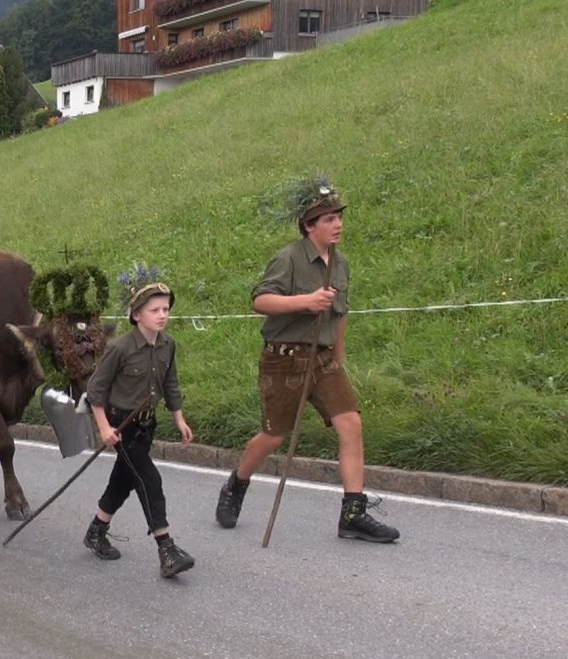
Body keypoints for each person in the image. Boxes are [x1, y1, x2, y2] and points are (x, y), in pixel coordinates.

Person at [214, 178, 400, 543]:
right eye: (329, 219)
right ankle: (237, 484)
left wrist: (340, 360)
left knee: (351, 424)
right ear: (309, 226)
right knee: (274, 436)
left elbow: (341, 315)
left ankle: (353, 514)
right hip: (285, 360)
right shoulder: (289, 258)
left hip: (325, 361)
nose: (338, 224)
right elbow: (261, 301)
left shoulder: (341, 263)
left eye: (339, 217)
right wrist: (306, 301)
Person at [83, 281, 196, 578]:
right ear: (136, 315)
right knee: (149, 480)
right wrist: (104, 428)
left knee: (124, 479)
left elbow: (171, 384)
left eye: (166, 309)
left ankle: (96, 530)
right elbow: (96, 390)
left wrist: (179, 419)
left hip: (147, 425)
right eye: (154, 310)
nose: (162, 315)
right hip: (123, 426)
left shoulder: (168, 345)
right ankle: (166, 548)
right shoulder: (120, 348)